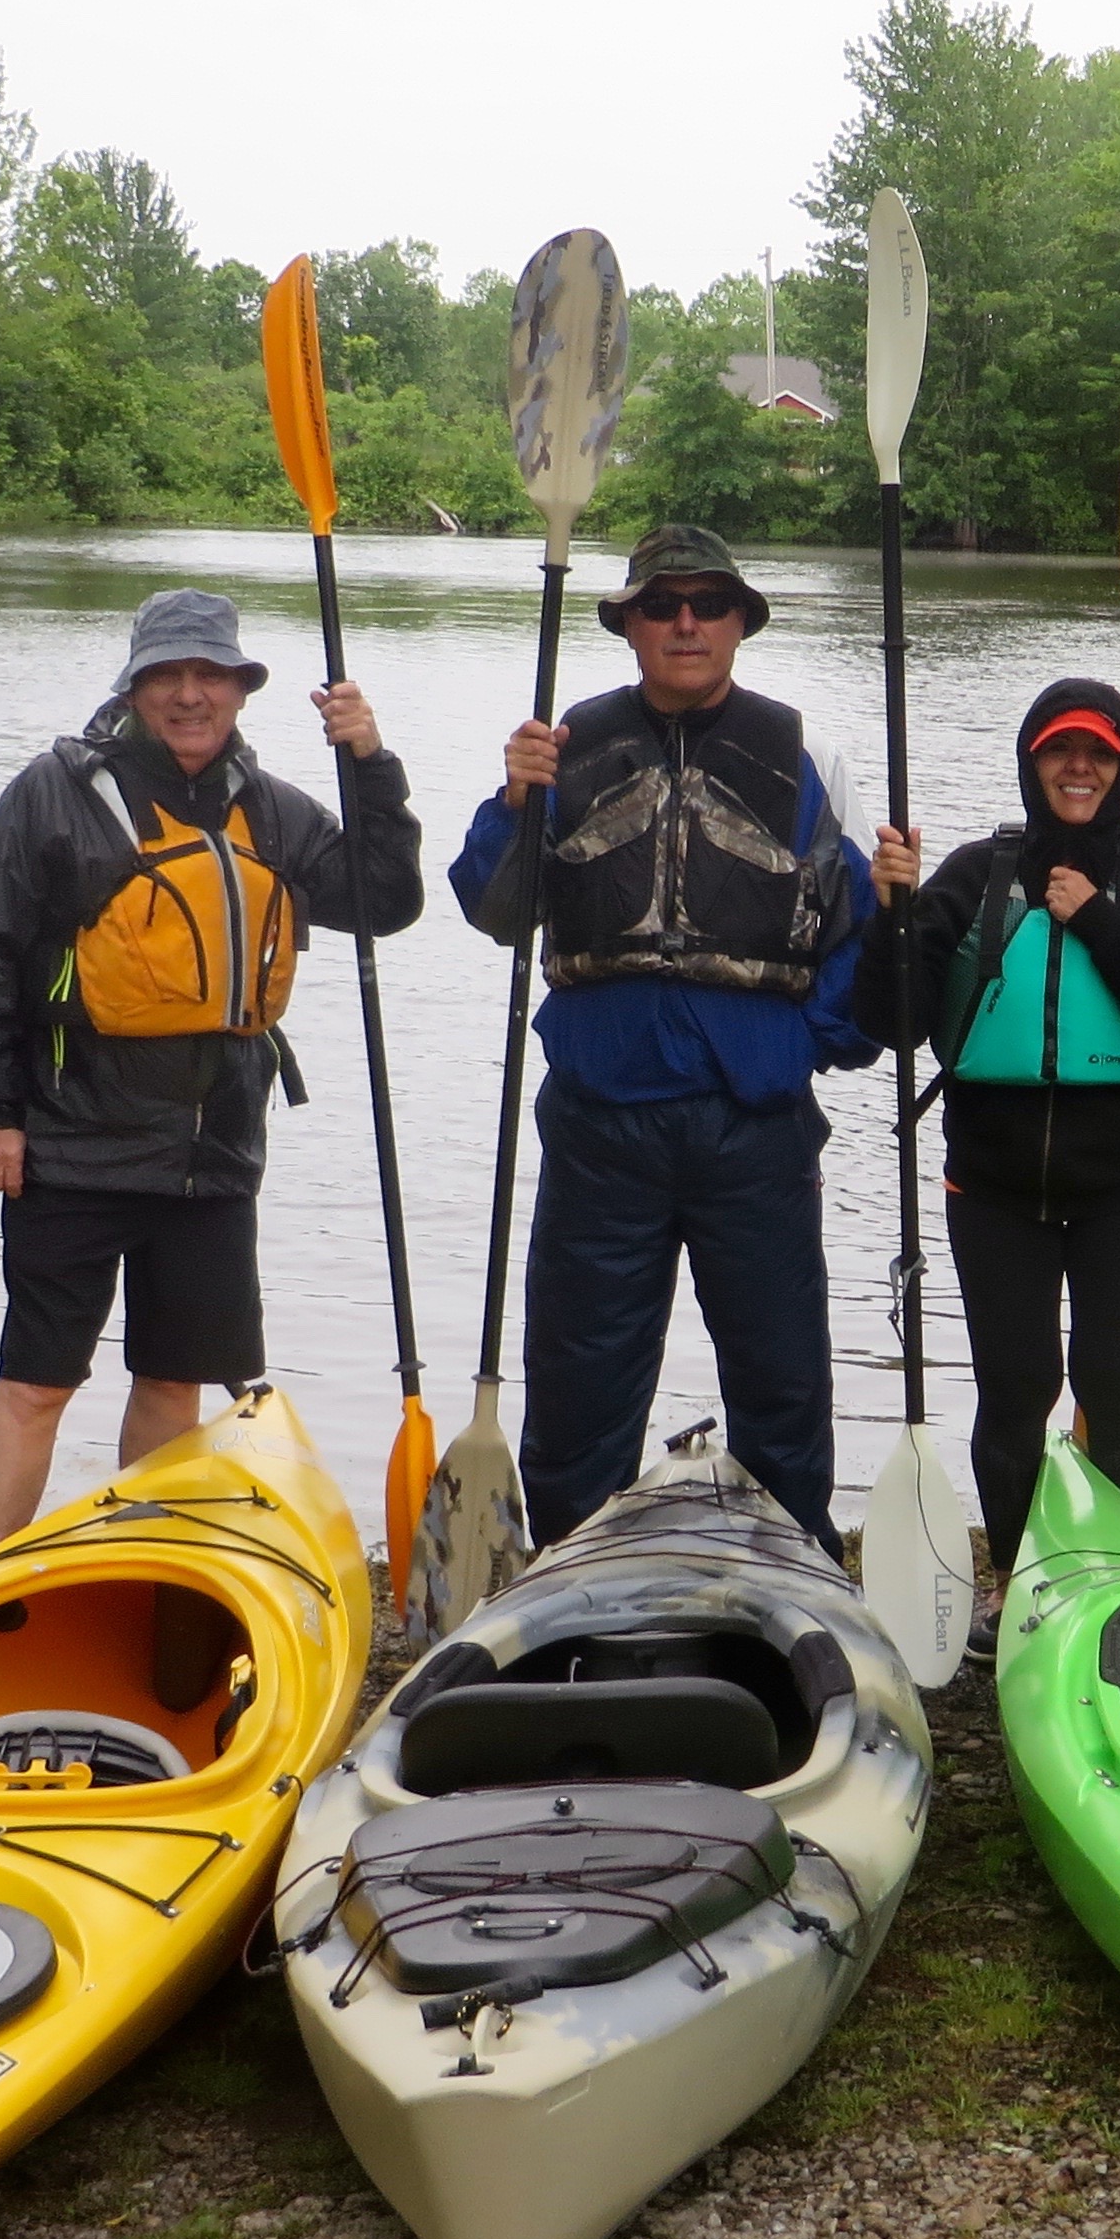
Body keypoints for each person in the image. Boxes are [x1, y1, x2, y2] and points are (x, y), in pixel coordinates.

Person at [0, 587, 423, 1557]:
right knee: (38, 1380)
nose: (191, 696)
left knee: (174, 1379)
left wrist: (369, 764)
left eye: (212, 676)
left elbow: (384, 899)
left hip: (211, 1153)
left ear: (242, 690)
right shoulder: (57, 793)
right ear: (135, 687)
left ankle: (134, 1567)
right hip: (71, 1144)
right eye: (170, 676)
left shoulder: (274, 810)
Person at [453, 524, 879, 1556]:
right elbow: (494, 909)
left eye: (707, 604)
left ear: (738, 623)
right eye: (662, 605)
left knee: (779, 1373)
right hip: (603, 1116)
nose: (685, 622)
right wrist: (515, 801)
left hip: (754, 1121)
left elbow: (857, 923)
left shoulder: (801, 751)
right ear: (631, 626)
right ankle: (569, 1572)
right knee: (580, 1372)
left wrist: (803, 1045)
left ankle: (794, 1570)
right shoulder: (562, 749)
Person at [859, 679, 1120, 1612]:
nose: (1080, 769)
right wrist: (892, 915)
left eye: (1101, 754)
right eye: (1061, 751)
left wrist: (1099, 918)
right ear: (1031, 763)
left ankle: (1105, 1581)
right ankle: (1011, 1585)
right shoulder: (973, 876)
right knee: (1015, 1387)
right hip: (992, 1185)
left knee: (1114, 1387)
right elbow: (887, 1017)